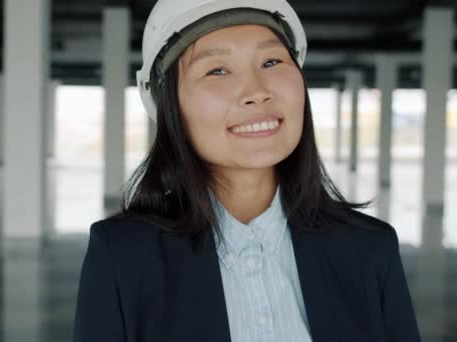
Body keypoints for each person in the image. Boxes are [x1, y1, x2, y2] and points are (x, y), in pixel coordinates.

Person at [73, 0, 421, 341]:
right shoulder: (122, 258)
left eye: (271, 61)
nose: (256, 92)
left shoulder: (370, 249)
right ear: (171, 107)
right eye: (217, 70)